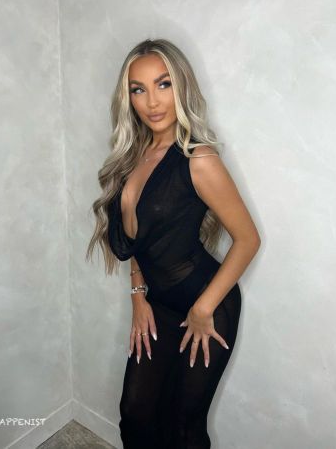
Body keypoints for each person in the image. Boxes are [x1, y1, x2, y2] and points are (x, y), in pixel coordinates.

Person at [86, 38, 261, 449]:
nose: (152, 101)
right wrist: (137, 296)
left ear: (181, 86)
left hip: (208, 305)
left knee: (185, 427)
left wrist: (203, 308)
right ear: (128, 98)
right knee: (135, 413)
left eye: (163, 84)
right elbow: (139, 242)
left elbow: (248, 240)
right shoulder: (133, 155)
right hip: (158, 303)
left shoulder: (198, 158)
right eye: (139, 89)